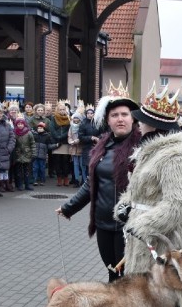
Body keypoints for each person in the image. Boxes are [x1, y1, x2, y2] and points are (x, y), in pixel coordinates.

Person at [114, 84, 182, 307]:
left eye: (140, 118)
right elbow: (140, 193)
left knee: (169, 297)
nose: (136, 122)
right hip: (144, 238)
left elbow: (179, 204)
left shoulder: (174, 156)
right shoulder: (150, 152)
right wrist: (126, 206)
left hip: (165, 241)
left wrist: (142, 224)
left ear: (154, 124)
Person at [57, 83, 141, 282]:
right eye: (114, 115)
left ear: (133, 118)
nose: (120, 119)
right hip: (103, 222)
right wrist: (69, 207)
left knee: (126, 278)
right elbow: (90, 183)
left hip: (128, 225)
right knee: (112, 272)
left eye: (124, 114)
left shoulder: (142, 147)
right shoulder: (102, 146)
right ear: (107, 120)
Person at [76, 105, 99, 185]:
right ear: (86, 114)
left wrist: (98, 138)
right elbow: (81, 136)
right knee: (86, 165)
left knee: (95, 165)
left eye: (91, 113)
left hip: (96, 147)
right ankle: (85, 181)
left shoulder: (97, 123)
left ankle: (93, 181)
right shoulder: (83, 124)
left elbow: (102, 133)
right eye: (88, 113)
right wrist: (90, 138)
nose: (90, 114)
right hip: (86, 147)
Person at [12, 116, 36, 191]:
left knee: (27, 171)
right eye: (18, 124)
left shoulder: (29, 133)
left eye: (21, 124)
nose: (20, 125)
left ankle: (27, 184)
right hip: (18, 154)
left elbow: (32, 144)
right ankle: (19, 185)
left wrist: (33, 153)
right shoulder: (14, 133)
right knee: (18, 171)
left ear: (24, 124)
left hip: (27, 154)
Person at [32, 121, 54, 186]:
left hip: (43, 155)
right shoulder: (34, 135)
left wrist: (56, 145)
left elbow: (49, 145)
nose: (39, 129)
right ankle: (35, 180)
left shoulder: (47, 136)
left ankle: (42, 180)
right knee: (35, 168)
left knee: (42, 168)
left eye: (41, 128)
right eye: (38, 128)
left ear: (44, 129)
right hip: (35, 155)